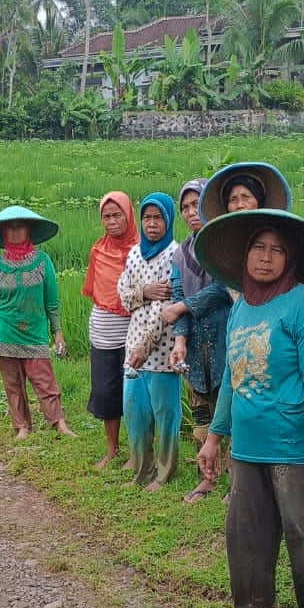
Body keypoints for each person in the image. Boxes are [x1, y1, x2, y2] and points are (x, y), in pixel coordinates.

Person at [196, 205, 304, 608]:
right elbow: (232, 375)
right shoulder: (243, 306)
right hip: (247, 446)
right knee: (245, 535)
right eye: (258, 248)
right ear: (244, 255)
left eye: (277, 250)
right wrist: (214, 437)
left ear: (291, 259)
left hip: (294, 447)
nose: (266, 258)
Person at [0, 205, 73, 439]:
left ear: (28, 230)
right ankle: (22, 426)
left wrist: (57, 332)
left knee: (44, 380)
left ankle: (58, 422)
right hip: (5, 331)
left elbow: (51, 301)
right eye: (10, 228)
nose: (15, 232)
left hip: (35, 332)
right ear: (3, 233)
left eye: (20, 227)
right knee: (13, 383)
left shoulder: (42, 262)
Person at [165, 177, 229, 503]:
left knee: (228, 412)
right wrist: (179, 340)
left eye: (197, 204)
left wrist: (182, 306)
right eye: (186, 207)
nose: (192, 212)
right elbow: (179, 292)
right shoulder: (180, 254)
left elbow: (222, 289)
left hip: (224, 340)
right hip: (195, 344)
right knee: (200, 413)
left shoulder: (225, 245)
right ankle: (207, 479)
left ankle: (237, 483)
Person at [117, 193, 185, 490]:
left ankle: (164, 472)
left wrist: (145, 345)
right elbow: (122, 295)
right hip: (132, 349)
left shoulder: (176, 254)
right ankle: (141, 470)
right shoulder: (133, 254)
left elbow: (167, 307)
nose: (152, 224)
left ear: (168, 220)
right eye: (147, 218)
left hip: (162, 351)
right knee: (135, 412)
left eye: (158, 218)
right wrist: (144, 292)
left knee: (166, 414)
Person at [83, 191, 137, 469]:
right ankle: (112, 449)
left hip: (134, 332)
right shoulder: (98, 250)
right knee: (106, 391)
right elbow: (95, 290)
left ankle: (138, 451)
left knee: (135, 393)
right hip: (103, 331)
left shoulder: (142, 250)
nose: (112, 221)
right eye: (106, 216)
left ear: (129, 216)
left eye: (118, 215)